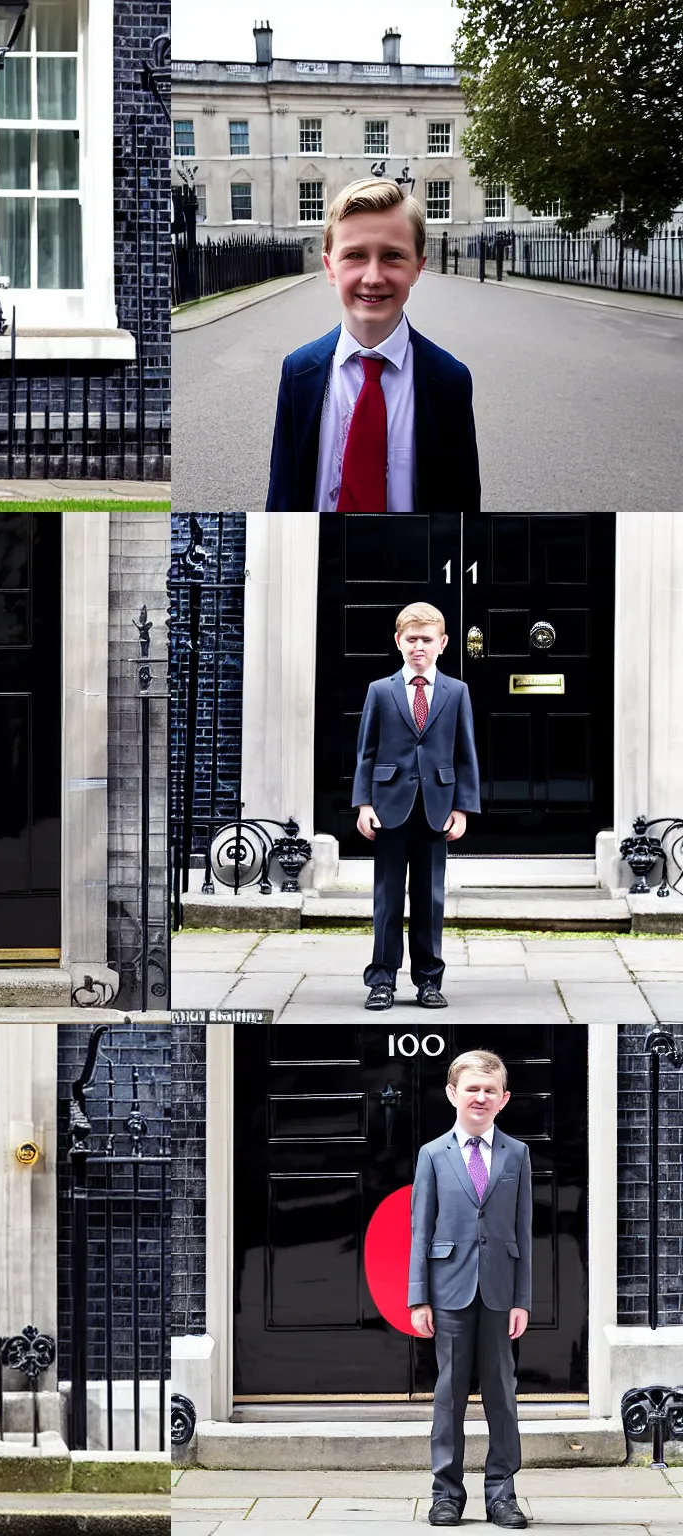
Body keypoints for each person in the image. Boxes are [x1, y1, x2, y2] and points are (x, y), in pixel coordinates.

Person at [266, 176, 480, 512]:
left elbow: (462, 507)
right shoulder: (298, 372)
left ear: (418, 267)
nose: (373, 277)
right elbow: (282, 497)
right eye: (354, 255)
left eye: (393, 256)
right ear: (329, 267)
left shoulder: (449, 380)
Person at [409, 1050, 531, 1529]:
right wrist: (418, 1296)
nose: (480, 1097)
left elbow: (523, 1230)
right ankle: (446, 1495)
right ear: (452, 1094)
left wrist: (523, 1298)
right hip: (449, 1292)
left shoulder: (517, 1154)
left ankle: (503, 1495)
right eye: (471, 1089)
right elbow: (421, 1228)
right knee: (449, 1396)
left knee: (502, 1394)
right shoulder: (433, 1155)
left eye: (489, 1090)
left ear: (503, 1099)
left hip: (500, 1292)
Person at [352, 602, 480, 1011]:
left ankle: (428, 980)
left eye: (427, 640)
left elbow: (465, 753)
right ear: (398, 642)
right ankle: (382, 981)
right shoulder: (380, 690)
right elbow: (366, 752)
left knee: (429, 898)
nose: (418, 647)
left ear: (442, 643)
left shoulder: (456, 692)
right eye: (411, 640)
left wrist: (461, 808)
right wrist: (363, 803)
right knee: (388, 898)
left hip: (436, 808)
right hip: (389, 806)